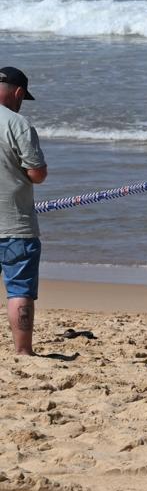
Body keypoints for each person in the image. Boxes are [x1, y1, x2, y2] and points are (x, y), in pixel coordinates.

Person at [0, 66, 47, 357]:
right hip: (15, 222)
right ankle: (22, 350)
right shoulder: (17, 123)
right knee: (20, 290)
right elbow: (37, 173)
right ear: (18, 92)